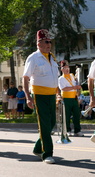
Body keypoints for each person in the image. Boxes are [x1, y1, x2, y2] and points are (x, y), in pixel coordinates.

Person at [23, 29, 59, 164]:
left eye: (50, 41)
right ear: (39, 44)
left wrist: (58, 94)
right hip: (39, 95)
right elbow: (25, 77)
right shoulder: (33, 58)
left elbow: (55, 77)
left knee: (51, 123)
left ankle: (38, 148)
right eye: (46, 42)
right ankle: (47, 153)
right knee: (44, 124)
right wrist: (28, 96)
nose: (49, 44)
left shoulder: (52, 57)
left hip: (51, 95)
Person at [58, 60, 84, 137]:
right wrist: (75, 87)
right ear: (61, 69)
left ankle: (77, 130)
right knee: (66, 116)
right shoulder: (61, 78)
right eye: (65, 67)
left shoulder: (72, 76)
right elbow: (64, 88)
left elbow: (76, 84)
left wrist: (78, 89)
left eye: (68, 67)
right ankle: (67, 130)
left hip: (74, 98)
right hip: (66, 98)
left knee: (76, 115)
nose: (67, 69)